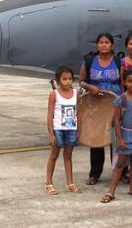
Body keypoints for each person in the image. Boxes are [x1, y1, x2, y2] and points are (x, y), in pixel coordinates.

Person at [79, 32, 122, 186]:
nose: (104, 45)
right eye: (101, 42)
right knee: (96, 139)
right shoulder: (89, 61)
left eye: (107, 42)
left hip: (115, 105)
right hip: (97, 107)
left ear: (112, 46)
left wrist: (123, 103)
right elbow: (81, 81)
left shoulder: (118, 62)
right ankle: (95, 173)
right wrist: (91, 87)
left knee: (116, 140)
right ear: (97, 45)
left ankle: (120, 172)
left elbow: (123, 84)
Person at [101, 68, 132, 203]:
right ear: (124, 82)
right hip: (126, 136)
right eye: (130, 81)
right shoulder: (120, 99)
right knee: (121, 163)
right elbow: (116, 119)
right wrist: (119, 138)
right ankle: (111, 192)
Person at [46, 65, 81, 195]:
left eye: (70, 79)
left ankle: (70, 183)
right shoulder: (54, 94)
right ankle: (49, 183)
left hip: (71, 128)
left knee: (68, 155)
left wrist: (79, 130)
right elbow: (50, 114)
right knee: (54, 155)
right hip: (58, 129)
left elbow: (79, 112)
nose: (68, 81)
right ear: (58, 80)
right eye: (64, 79)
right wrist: (51, 134)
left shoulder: (76, 93)